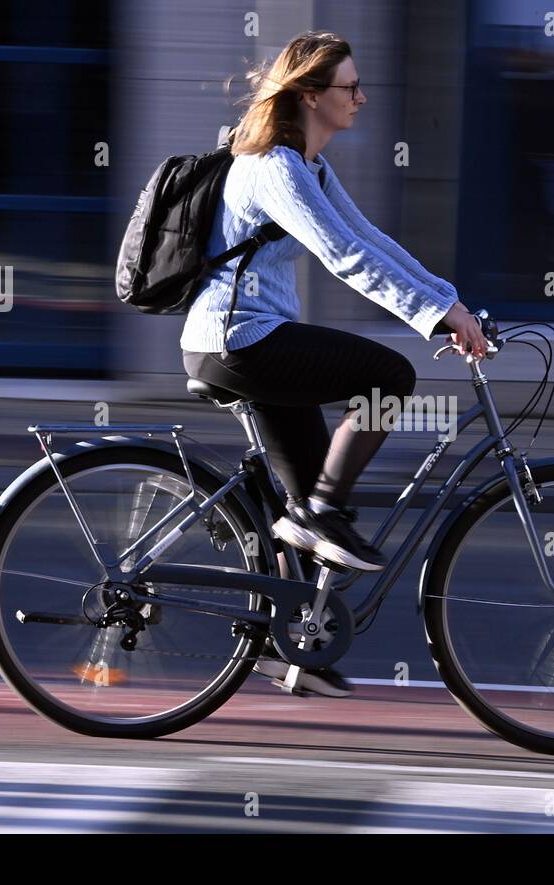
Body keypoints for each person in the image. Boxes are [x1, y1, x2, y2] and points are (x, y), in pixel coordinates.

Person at [181, 30, 488, 574]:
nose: (361, 98)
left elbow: (370, 240)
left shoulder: (308, 166)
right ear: (310, 95)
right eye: (351, 87)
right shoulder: (275, 167)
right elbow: (343, 255)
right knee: (387, 378)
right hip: (238, 341)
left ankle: (291, 645)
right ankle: (321, 510)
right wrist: (432, 315)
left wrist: (450, 303)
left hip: (251, 339)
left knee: (306, 518)